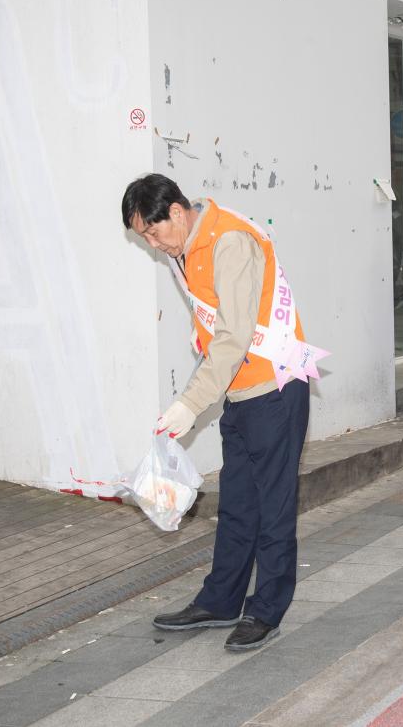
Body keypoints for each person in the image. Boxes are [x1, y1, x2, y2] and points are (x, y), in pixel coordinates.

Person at [122, 174, 310, 651]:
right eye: (143, 236)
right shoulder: (186, 247)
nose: (151, 243)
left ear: (177, 213)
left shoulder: (228, 242)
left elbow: (234, 336)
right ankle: (222, 600)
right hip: (242, 392)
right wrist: (195, 332)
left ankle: (266, 609)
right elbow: (214, 315)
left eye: (152, 231)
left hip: (274, 390)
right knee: (238, 505)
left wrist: (189, 403)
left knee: (274, 508)